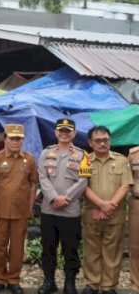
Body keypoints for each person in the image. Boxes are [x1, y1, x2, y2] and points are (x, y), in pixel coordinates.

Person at [37, 118, 89, 294]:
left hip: (71, 211)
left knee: (71, 249)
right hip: (49, 210)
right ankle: (49, 281)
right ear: (56, 132)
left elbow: (84, 180)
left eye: (68, 130)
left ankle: (70, 283)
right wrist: (53, 198)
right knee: (48, 248)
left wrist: (64, 198)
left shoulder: (83, 155)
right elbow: (42, 178)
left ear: (74, 133)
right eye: (61, 130)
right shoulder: (46, 153)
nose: (64, 133)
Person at [0, 124, 37, 294]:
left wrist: (30, 206)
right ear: (6, 139)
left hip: (20, 211)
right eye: (12, 138)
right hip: (0, 211)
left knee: (17, 248)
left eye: (19, 138)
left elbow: (33, 184)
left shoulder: (29, 159)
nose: (15, 141)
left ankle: (14, 279)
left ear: (23, 140)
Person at [81, 126, 132, 294]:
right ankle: (92, 284)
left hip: (115, 215)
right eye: (98, 140)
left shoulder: (122, 160)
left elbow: (125, 185)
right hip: (92, 214)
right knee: (91, 251)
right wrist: (101, 205)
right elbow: (83, 186)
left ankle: (109, 286)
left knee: (113, 252)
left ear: (110, 141)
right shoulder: (85, 160)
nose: (102, 143)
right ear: (90, 142)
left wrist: (110, 206)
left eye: (105, 140)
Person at [129, 145, 139, 292]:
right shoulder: (133, 154)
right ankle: (137, 286)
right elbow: (126, 179)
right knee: (136, 247)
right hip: (138, 203)